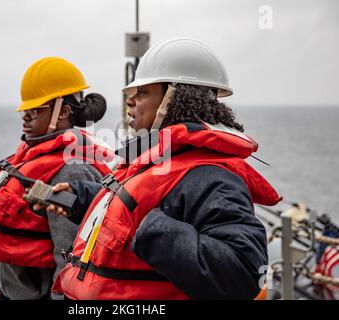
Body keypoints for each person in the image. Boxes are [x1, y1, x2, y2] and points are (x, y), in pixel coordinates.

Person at [38, 39, 281, 300]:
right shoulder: (159, 160)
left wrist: (151, 229)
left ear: (174, 99)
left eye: (142, 93)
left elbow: (244, 273)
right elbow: (131, 203)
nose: (129, 102)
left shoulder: (212, 178)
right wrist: (79, 197)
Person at [0, 57, 113, 300]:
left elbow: (69, 258)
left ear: (64, 112)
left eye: (35, 110)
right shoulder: (37, 158)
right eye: (25, 109)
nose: (25, 116)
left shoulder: (71, 170)